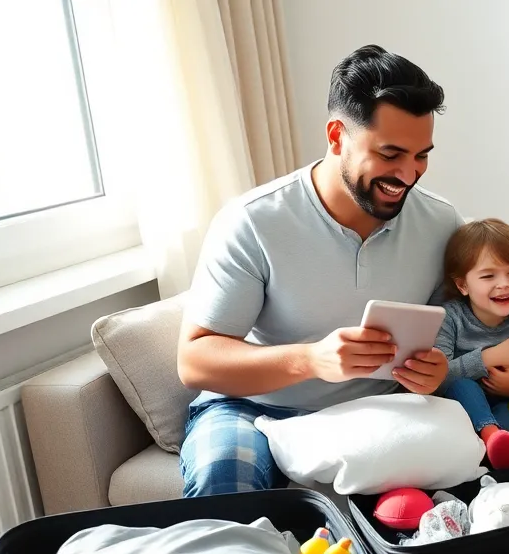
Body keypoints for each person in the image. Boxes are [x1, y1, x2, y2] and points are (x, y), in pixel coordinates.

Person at [176, 45, 460, 497]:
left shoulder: (442, 225)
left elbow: (457, 333)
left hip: (378, 408)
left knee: (449, 502)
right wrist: (310, 360)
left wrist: (436, 369)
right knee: (224, 480)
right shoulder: (254, 220)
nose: (408, 174)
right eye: (390, 154)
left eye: (421, 155)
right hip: (253, 407)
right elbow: (194, 361)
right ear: (336, 136)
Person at [433, 218, 509, 469]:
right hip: (459, 407)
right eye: (489, 276)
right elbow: (438, 377)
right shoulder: (449, 317)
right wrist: (490, 357)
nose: (503, 284)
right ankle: (490, 434)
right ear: (462, 284)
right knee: (464, 385)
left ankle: (500, 450)